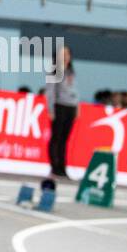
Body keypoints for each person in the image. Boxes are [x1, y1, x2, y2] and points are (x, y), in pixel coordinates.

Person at [46, 43, 79, 178]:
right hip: (59, 106)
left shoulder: (71, 71)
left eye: (67, 54)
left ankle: (63, 167)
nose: (65, 57)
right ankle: (54, 166)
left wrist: (77, 107)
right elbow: (50, 91)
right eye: (62, 54)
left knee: (65, 139)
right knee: (56, 138)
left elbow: (75, 91)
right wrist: (51, 109)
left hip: (70, 107)